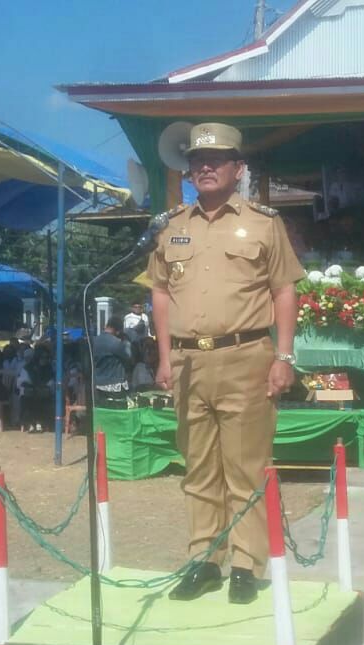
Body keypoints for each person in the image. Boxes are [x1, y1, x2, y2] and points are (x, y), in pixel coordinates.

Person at [149, 122, 305, 605]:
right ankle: (204, 560)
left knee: (245, 466)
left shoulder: (263, 223)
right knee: (198, 469)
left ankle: (244, 564)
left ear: (238, 169)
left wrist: (283, 356)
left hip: (247, 356)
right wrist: (163, 358)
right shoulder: (171, 226)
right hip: (189, 361)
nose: (206, 166)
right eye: (198, 160)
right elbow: (158, 290)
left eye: (217, 159)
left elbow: (284, 289)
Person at [93, 317, 132, 408]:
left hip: (98, 384)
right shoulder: (116, 342)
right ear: (118, 331)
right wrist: (126, 341)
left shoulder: (94, 340)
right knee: (116, 414)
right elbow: (128, 355)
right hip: (114, 385)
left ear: (106, 326)